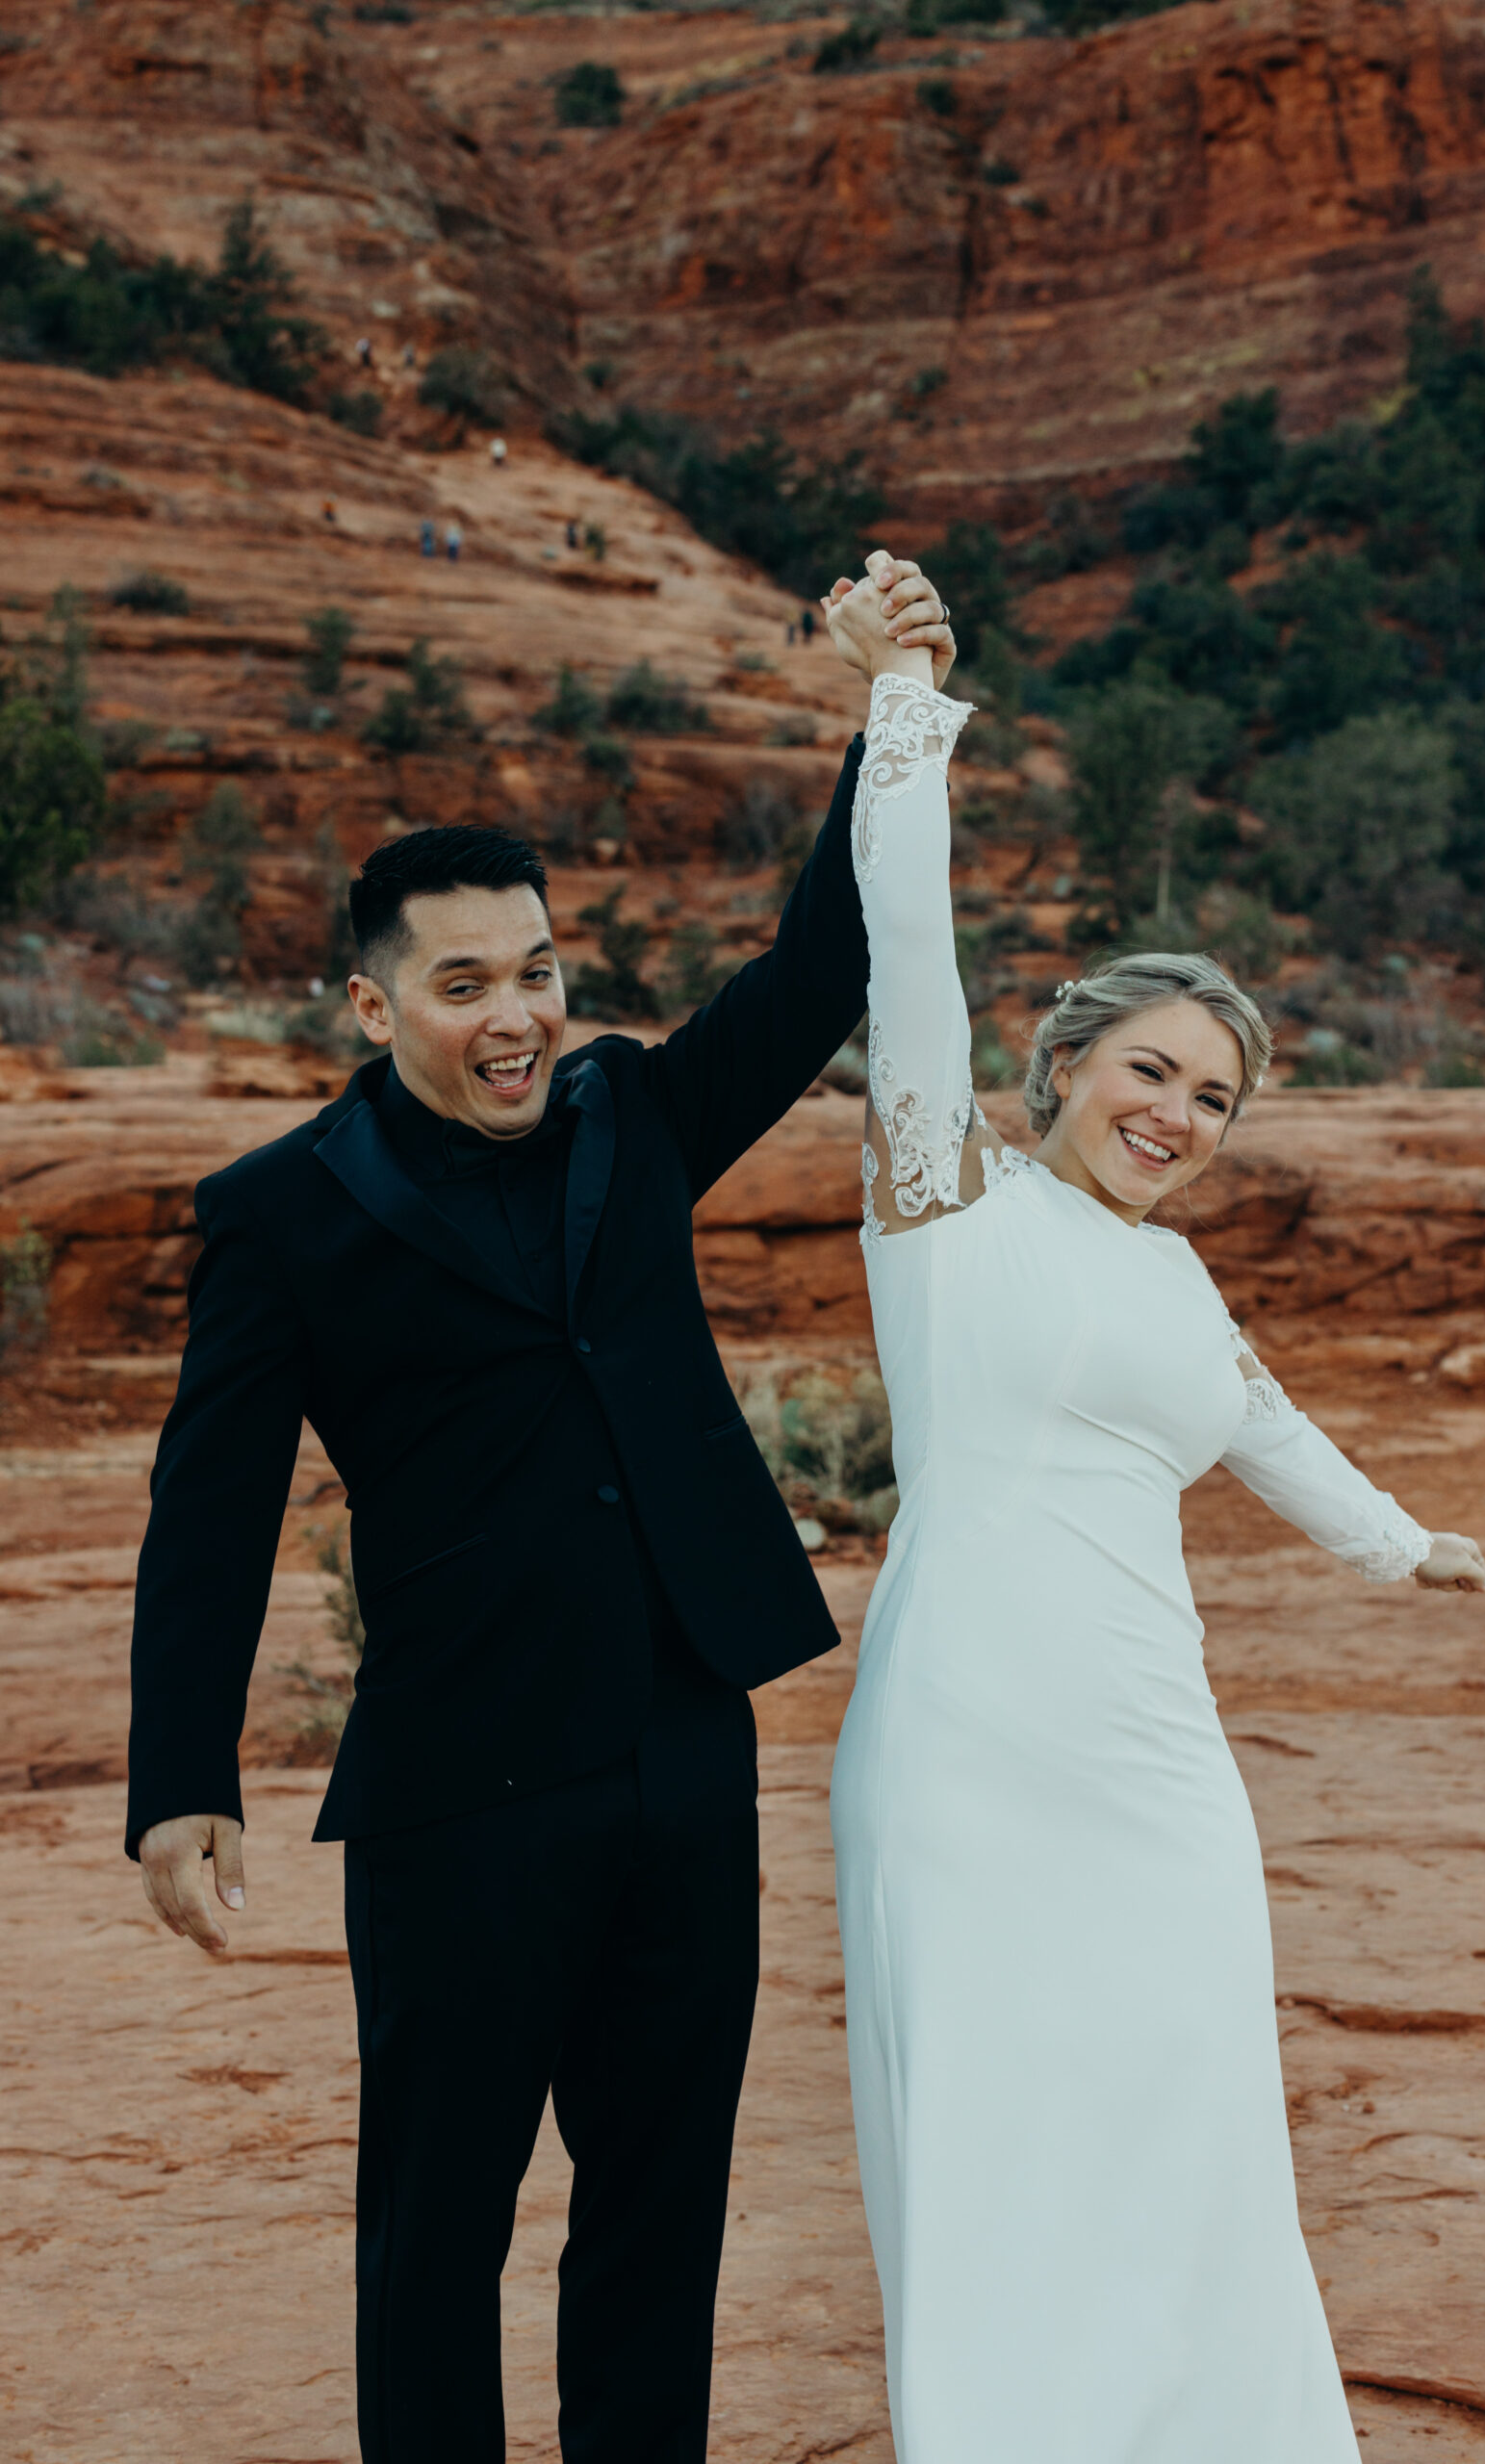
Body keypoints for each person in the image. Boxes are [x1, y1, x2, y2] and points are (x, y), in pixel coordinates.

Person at [124, 568, 955, 2464]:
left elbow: (822, 970)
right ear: (370, 995)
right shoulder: (283, 1210)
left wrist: (889, 705)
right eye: (465, 983)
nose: (516, 1018)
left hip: (684, 1743)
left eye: (540, 973)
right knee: (435, 2233)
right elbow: (210, 1501)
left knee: (656, 2220)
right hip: (455, 1789)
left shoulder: (631, 1118)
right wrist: (181, 1769)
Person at [819, 558, 1485, 2463]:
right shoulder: (943, 1191)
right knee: (989, 2133)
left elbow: (1260, 1421)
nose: (1178, 1113)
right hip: (966, 1736)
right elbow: (910, 949)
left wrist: (1397, 1542)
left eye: (1213, 1098)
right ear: (1058, 1067)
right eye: (1148, 1070)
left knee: (1184, 2112)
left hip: (1156, 1760)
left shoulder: (1179, 1285)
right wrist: (903, 710)